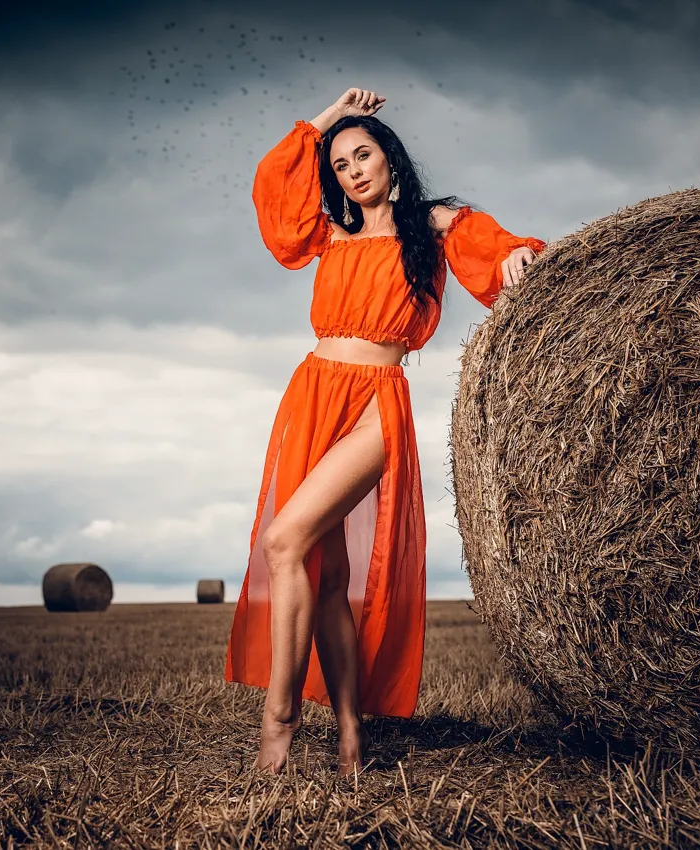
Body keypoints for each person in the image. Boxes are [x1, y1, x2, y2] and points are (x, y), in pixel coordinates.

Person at [224, 87, 545, 775]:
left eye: (363, 154)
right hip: (311, 394)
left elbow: (490, 245)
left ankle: (278, 719)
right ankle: (348, 732)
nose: (353, 171)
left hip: (375, 402)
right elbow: (272, 193)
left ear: (389, 157)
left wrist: (516, 254)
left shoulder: (431, 225)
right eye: (340, 163)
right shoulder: (329, 235)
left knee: (284, 541)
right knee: (329, 573)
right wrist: (324, 118)